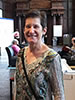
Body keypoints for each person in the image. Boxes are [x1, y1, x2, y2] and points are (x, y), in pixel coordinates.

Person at [16, 9, 65, 100]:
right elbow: (17, 87)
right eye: (28, 26)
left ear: (44, 31)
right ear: (23, 30)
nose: (31, 31)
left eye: (36, 26)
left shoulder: (52, 58)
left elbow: (59, 94)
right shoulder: (21, 54)